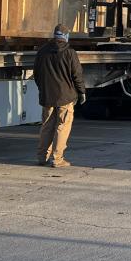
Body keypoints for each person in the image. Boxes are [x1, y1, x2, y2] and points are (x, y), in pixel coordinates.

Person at [33, 24, 87, 167]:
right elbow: (77, 75)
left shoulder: (42, 51)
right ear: (66, 36)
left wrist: (42, 89)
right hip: (65, 96)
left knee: (46, 126)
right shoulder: (70, 53)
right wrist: (81, 91)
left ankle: (41, 157)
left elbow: (37, 74)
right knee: (62, 126)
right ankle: (57, 159)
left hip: (47, 96)